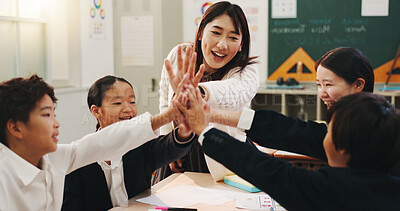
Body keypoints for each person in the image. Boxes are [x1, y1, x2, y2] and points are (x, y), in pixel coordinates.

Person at [176, 84, 400, 210]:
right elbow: (290, 129)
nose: (322, 92)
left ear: (343, 148)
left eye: (329, 130)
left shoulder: (329, 189)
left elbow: (264, 168)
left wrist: (204, 129)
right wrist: (211, 117)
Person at [0, 75, 180, 210]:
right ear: (16, 128)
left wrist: (170, 115)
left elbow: (105, 141)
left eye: (54, 115)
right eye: (47, 115)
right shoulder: (4, 178)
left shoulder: (56, 158)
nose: (57, 123)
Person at [154, 0, 259, 183]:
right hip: (179, 152)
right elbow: (165, 103)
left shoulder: (246, 71)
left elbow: (232, 94)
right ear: (201, 31)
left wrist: (198, 92)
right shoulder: (181, 55)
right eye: (216, 33)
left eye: (233, 38)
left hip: (224, 158)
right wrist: (168, 146)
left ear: (242, 43)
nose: (222, 44)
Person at [61, 76, 196, 210]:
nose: (128, 109)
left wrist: (184, 131)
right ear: (96, 111)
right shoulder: (77, 161)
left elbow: (168, 147)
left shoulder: (140, 144)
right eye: (117, 103)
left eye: (132, 102)